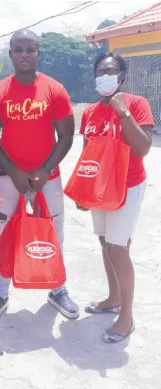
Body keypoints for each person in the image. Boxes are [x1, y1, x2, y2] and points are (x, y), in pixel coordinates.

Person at [0, 29, 79, 322]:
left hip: (48, 177)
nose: (24, 54)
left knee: (55, 233)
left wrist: (45, 170)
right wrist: (14, 172)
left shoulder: (54, 90)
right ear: (10, 53)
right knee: (3, 234)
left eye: (30, 49)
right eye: (19, 49)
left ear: (38, 53)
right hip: (9, 179)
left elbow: (66, 135)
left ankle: (58, 289)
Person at [78, 52, 154, 343]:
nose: (104, 76)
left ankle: (127, 317)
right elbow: (88, 156)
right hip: (99, 188)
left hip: (128, 185)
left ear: (122, 74)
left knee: (118, 247)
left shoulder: (136, 104)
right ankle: (113, 298)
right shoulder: (90, 112)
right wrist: (83, 191)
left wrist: (123, 113)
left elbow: (144, 147)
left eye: (110, 71)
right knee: (104, 244)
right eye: (99, 71)